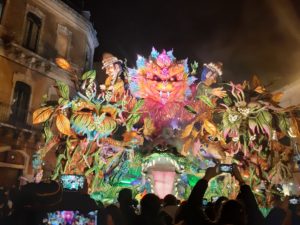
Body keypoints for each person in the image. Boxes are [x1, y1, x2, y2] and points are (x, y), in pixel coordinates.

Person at [181, 164, 264, 225]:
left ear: (220, 213)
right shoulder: (255, 221)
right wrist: (241, 181)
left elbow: (192, 207)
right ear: (243, 215)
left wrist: (207, 177)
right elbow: (253, 209)